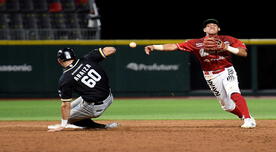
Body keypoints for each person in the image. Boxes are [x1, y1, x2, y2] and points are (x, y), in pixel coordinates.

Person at [144, 19, 256, 128]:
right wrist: (154, 46)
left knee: (234, 92)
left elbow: (243, 53)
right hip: (210, 75)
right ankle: (244, 116)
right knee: (227, 106)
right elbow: (174, 46)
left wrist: (226, 47)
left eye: (214, 25)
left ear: (219, 28)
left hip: (227, 70)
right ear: (204, 30)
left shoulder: (228, 39)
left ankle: (248, 120)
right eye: (208, 25)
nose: (211, 26)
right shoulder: (196, 43)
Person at [48, 47, 119, 132]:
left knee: (67, 117)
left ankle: (102, 127)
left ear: (59, 61)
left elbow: (65, 105)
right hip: (109, 96)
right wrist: (96, 53)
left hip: (95, 106)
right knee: (69, 110)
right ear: (74, 56)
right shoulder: (88, 58)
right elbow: (111, 49)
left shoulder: (65, 79)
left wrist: (63, 125)